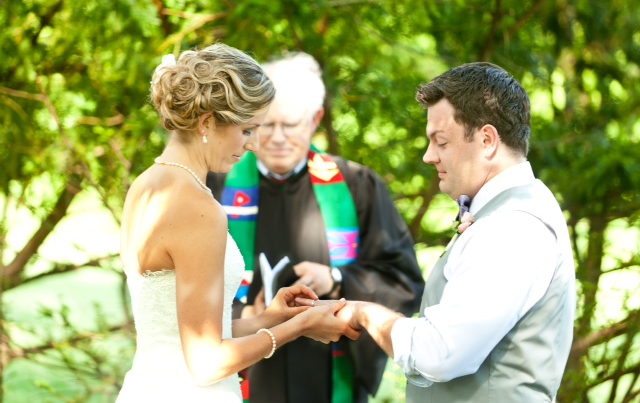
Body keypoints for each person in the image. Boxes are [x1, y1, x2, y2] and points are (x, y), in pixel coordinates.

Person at [117, 44, 360, 403]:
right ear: (206, 123)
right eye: (248, 130)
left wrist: (269, 318)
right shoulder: (199, 209)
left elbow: (179, 333)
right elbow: (206, 364)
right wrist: (301, 326)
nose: (254, 144)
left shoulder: (147, 185)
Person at [326, 62, 576, 401]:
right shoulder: (506, 214)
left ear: (487, 140)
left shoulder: (511, 228)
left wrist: (364, 313)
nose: (428, 156)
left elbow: (439, 353)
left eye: (440, 141)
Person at [206, 52, 425, 403]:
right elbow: (188, 291)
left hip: (325, 376)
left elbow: (402, 280)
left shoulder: (357, 186)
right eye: (267, 125)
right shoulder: (215, 189)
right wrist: (247, 314)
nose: (277, 137)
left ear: (315, 119)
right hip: (249, 371)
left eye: (290, 125)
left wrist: (336, 280)